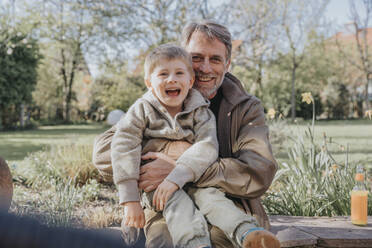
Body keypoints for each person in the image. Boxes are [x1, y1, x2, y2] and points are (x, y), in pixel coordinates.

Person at [93, 21, 279, 248]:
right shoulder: (157, 98)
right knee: (164, 238)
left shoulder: (245, 107)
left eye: (215, 59)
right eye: (197, 57)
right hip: (164, 204)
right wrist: (168, 150)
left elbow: (258, 171)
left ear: (227, 64)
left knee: (221, 236)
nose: (205, 68)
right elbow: (104, 152)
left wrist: (181, 166)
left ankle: (248, 234)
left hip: (227, 203)